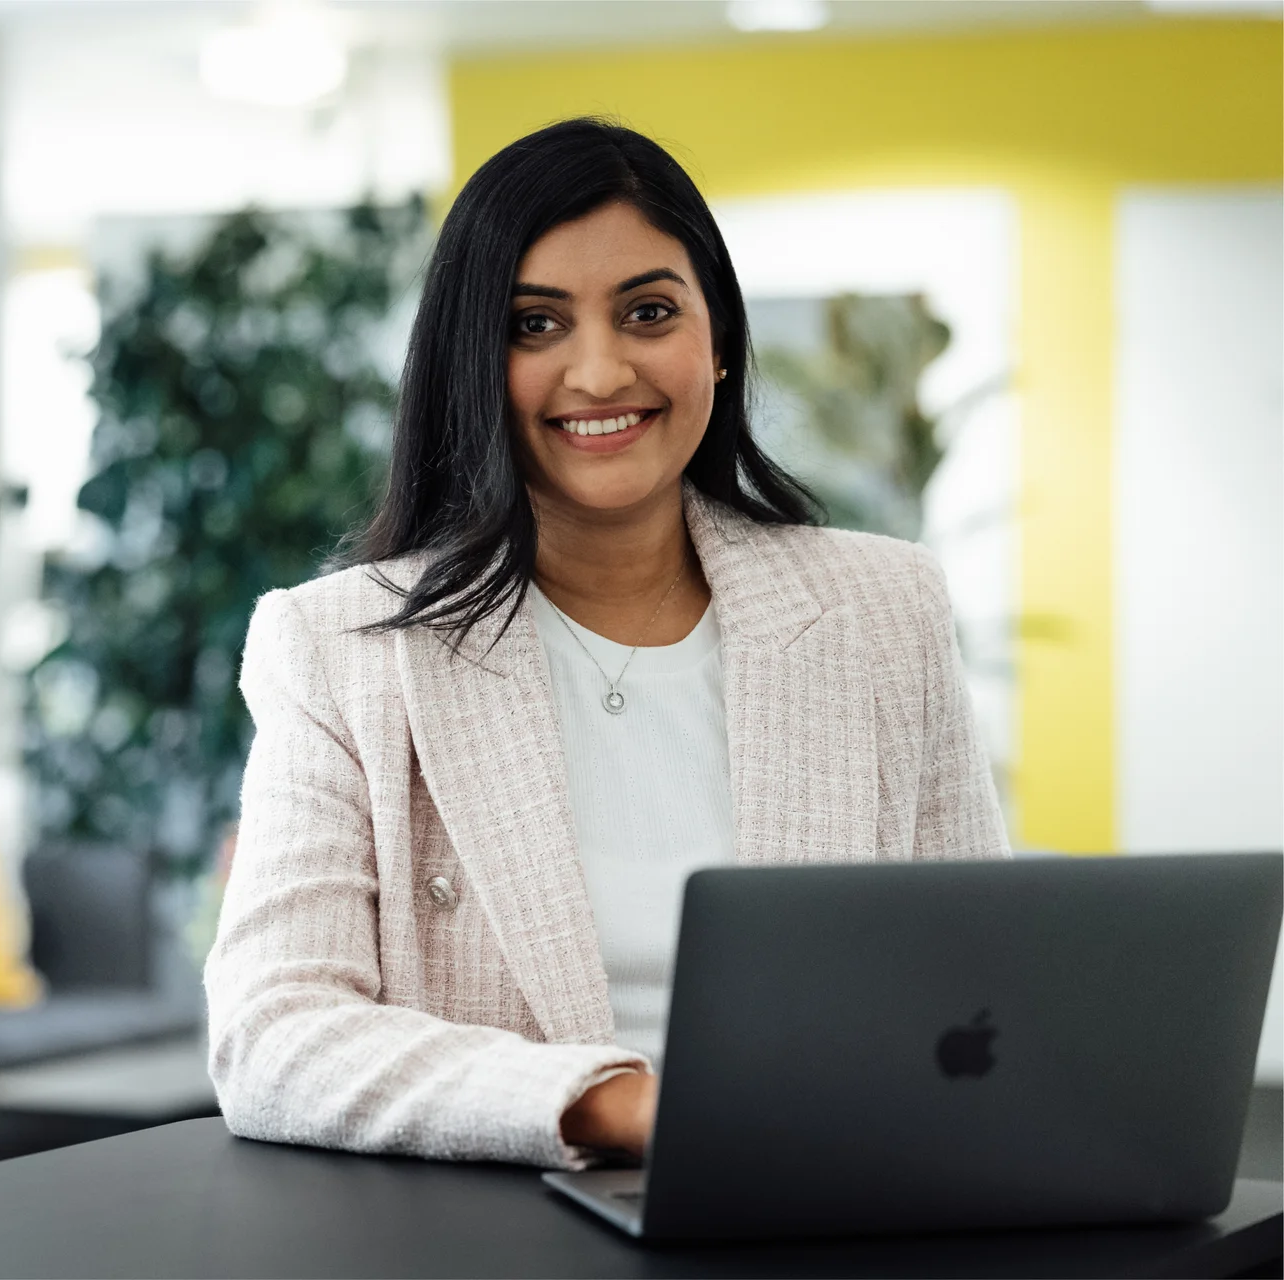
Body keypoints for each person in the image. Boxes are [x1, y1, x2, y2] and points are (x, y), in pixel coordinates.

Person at [202, 118, 1008, 1170]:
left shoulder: (882, 609)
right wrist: (617, 1103)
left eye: (648, 311)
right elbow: (275, 1032)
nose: (599, 369)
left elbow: (977, 981)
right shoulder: (340, 648)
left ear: (717, 340)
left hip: (834, 1204)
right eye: (535, 324)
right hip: (501, 1231)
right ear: (471, 365)